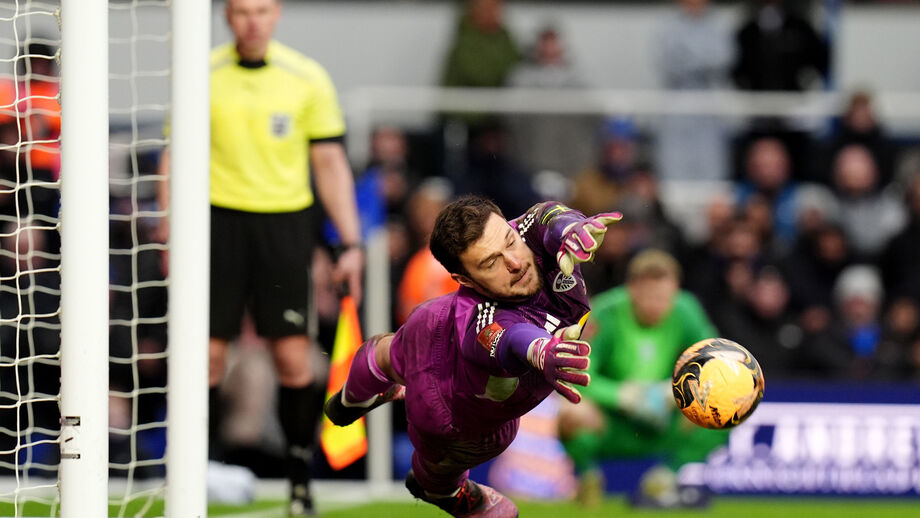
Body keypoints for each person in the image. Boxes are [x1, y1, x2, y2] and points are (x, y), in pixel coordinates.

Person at [156, 0, 363, 515]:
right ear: (227, 16)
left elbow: (331, 163)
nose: (253, 20)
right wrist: (168, 232)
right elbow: (171, 158)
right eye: (243, 11)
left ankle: (299, 482)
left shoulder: (306, 77)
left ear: (277, 15)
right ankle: (196, 476)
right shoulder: (201, 73)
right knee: (203, 357)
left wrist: (351, 243)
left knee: (293, 360)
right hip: (215, 223)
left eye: (263, 10)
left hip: (283, 225)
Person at [325, 196, 621, 517]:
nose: (515, 262)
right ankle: (437, 485)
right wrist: (543, 351)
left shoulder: (525, 233)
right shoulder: (482, 322)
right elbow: (513, 338)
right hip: (447, 404)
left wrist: (572, 228)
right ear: (465, 281)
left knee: (387, 351)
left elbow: (548, 216)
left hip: (435, 319)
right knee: (447, 465)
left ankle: (348, 403)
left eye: (510, 241)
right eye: (491, 263)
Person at [559, 249, 727, 509]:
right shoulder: (605, 312)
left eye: (665, 297)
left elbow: (712, 361)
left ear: (676, 290)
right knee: (571, 413)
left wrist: (674, 391)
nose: (657, 305)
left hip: (664, 416)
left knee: (724, 407)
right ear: (632, 290)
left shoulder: (686, 309)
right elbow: (577, 373)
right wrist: (622, 395)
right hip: (612, 420)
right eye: (650, 296)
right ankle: (588, 477)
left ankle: (665, 477)